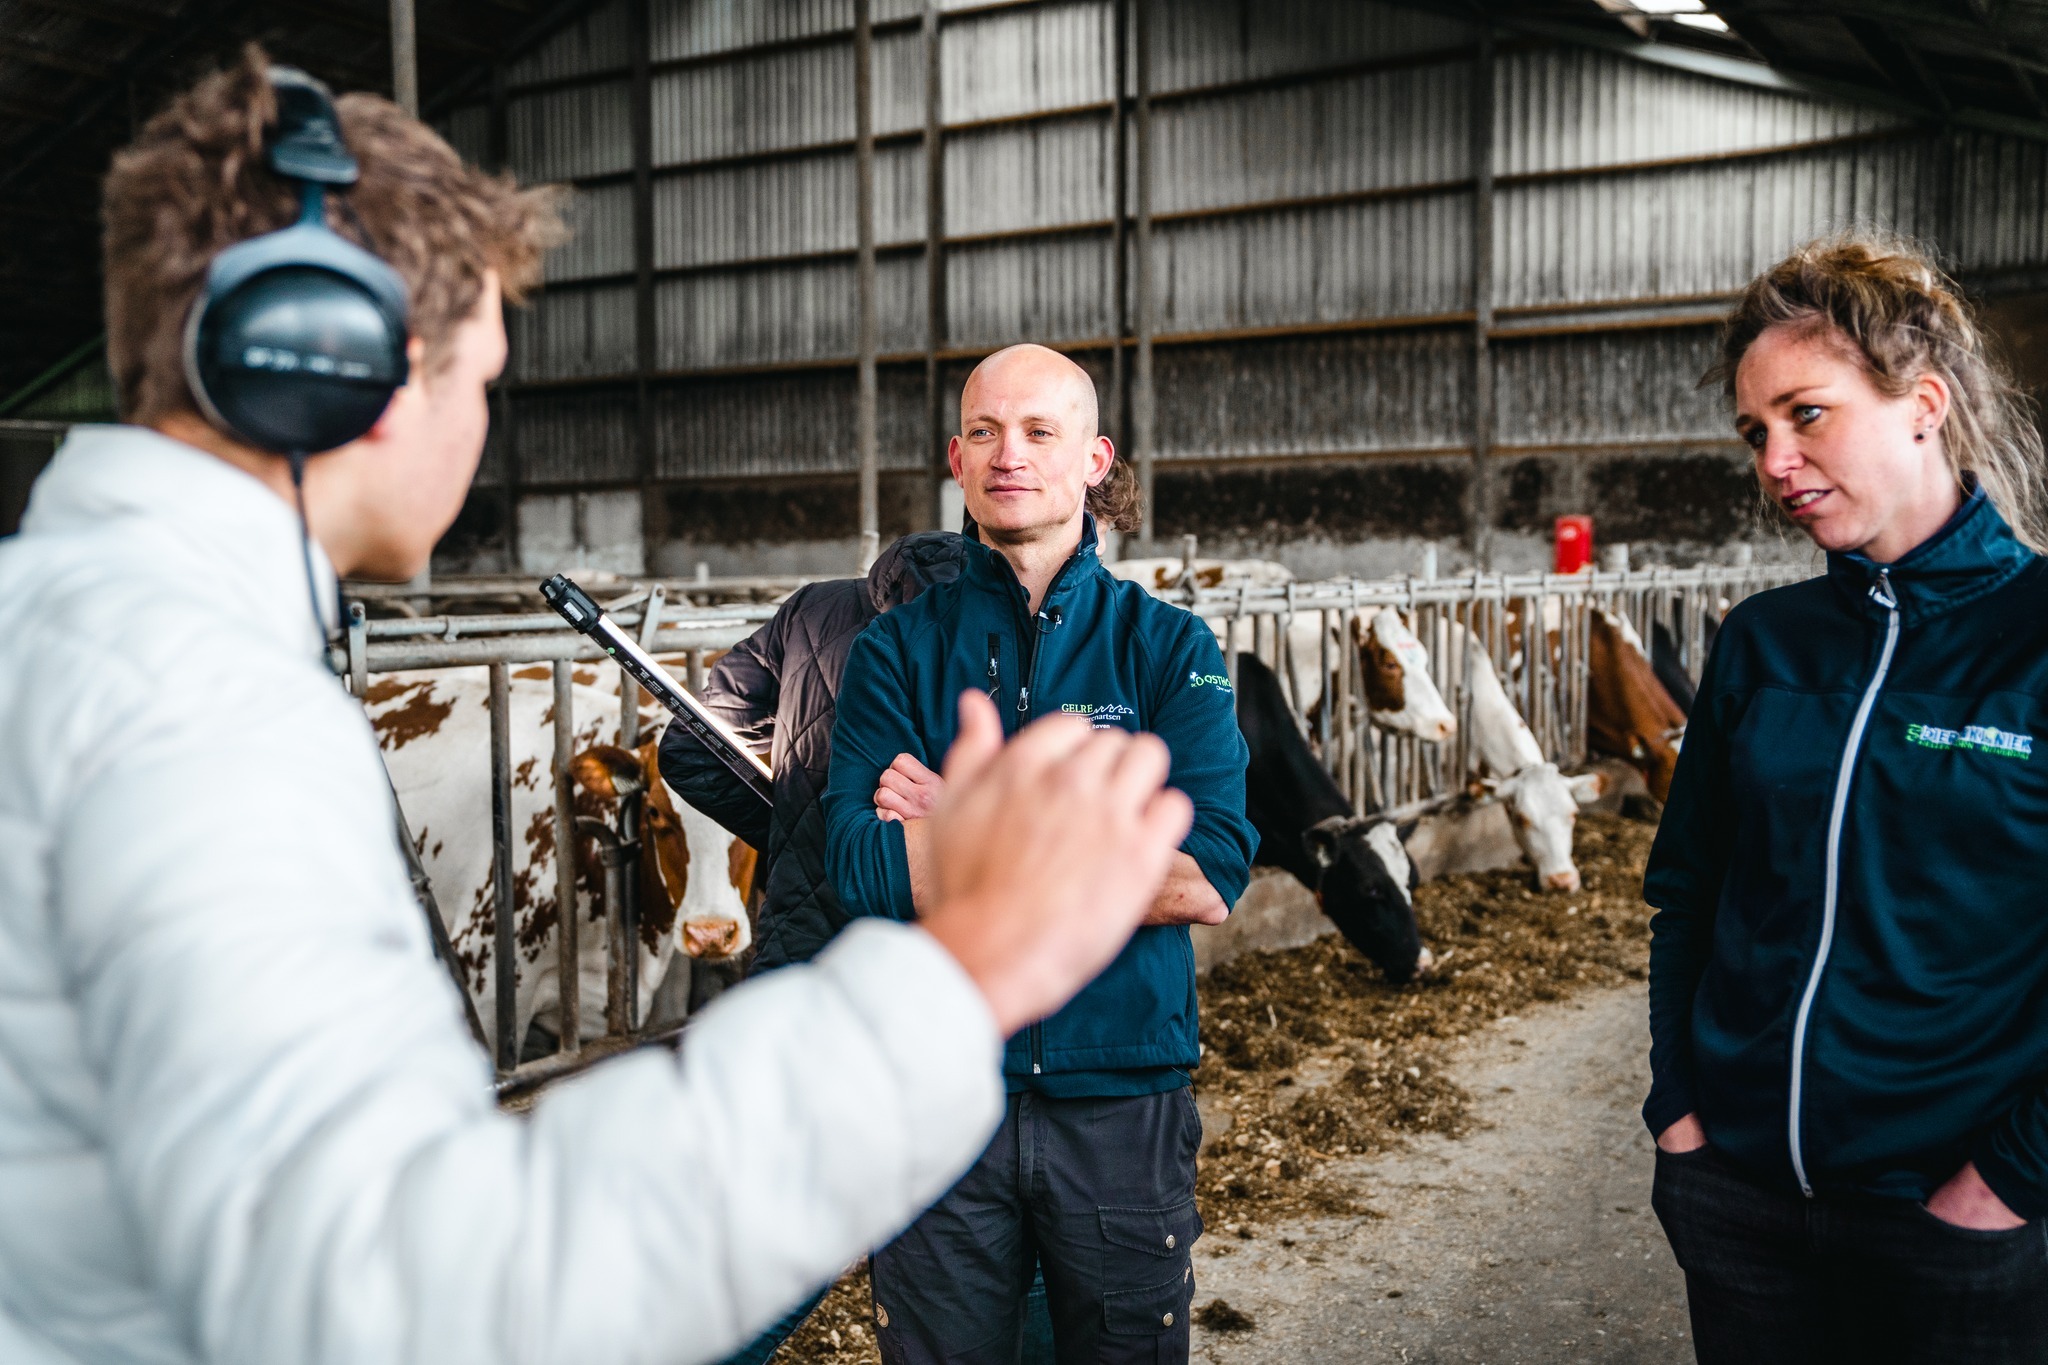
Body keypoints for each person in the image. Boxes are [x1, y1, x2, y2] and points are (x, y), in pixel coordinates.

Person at [0, 53, 1199, 1365]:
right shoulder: (200, 718)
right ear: (342, 367)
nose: (482, 430)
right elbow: (405, 1293)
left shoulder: (77, 633)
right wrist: (959, 972)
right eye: (481, 377)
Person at [1645, 234, 2048, 1364]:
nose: (1773, 459)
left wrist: (2009, 1180)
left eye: (1804, 414)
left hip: (1955, 1223)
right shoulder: (1765, 646)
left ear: (1920, 403)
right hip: (1737, 1208)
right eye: (1752, 431)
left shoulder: (2031, 640)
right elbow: (1687, 891)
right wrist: (1679, 1117)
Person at [823, 343, 1257, 1363]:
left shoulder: (1166, 648)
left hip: (1117, 1092)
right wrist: (1101, 838)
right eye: (982, 431)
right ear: (954, 457)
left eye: (1037, 431)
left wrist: (965, 823)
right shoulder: (894, 649)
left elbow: (1205, 877)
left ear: (1094, 459)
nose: (1005, 454)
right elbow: (861, 867)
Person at [661, 531, 967, 974]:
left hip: (804, 957)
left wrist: (801, 835)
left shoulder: (811, 610)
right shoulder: (1027, 630)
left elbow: (690, 746)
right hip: (950, 961)